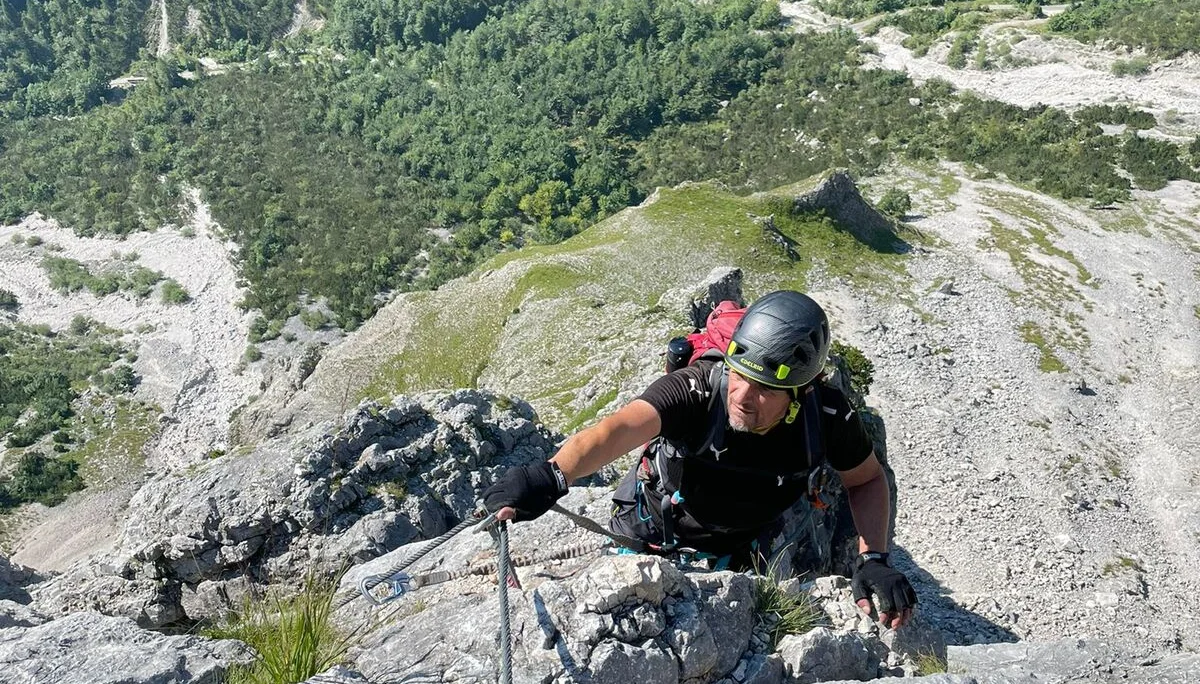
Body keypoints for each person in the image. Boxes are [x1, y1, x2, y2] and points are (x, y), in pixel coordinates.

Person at [483, 290, 917, 628]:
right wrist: (552, 475)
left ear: (802, 391)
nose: (744, 398)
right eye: (740, 377)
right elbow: (616, 429)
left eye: (765, 389)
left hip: (741, 545)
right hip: (652, 528)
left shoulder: (826, 417)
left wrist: (874, 559)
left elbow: (866, 480)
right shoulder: (697, 390)